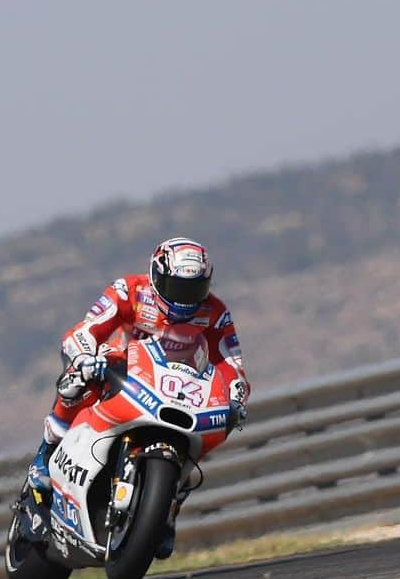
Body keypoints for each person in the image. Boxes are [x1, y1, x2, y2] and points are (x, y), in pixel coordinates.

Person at [26, 237, 251, 557]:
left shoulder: (216, 313)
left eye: (193, 289)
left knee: (219, 420)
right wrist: (85, 355)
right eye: (176, 287)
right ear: (157, 277)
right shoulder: (129, 291)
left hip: (176, 389)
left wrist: (236, 393)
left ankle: (169, 504)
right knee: (77, 381)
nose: (185, 298)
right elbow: (88, 328)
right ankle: (45, 458)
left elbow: (230, 363)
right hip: (117, 369)